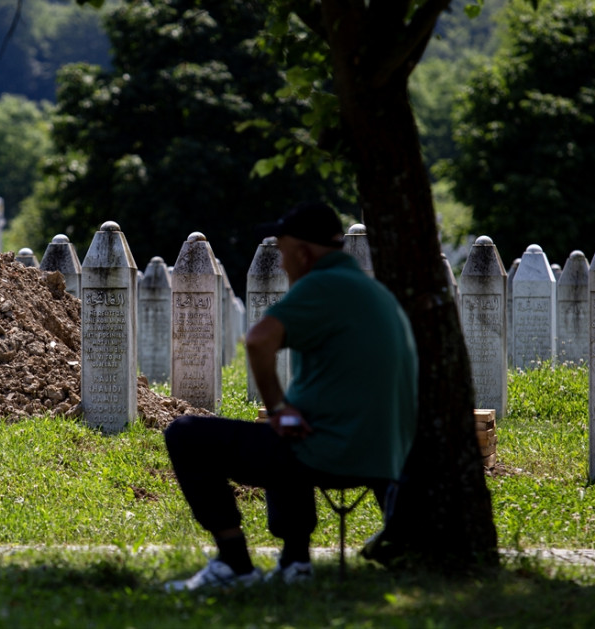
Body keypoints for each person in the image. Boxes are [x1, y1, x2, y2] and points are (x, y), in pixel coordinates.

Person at [163, 201, 418, 590]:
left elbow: (258, 339)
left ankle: (234, 564)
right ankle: (294, 561)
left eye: (283, 253)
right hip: (385, 460)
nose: (281, 265)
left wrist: (279, 408)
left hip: (331, 453)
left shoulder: (322, 284)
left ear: (303, 253)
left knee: (187, 434)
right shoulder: (374, 291)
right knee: (290, 429)